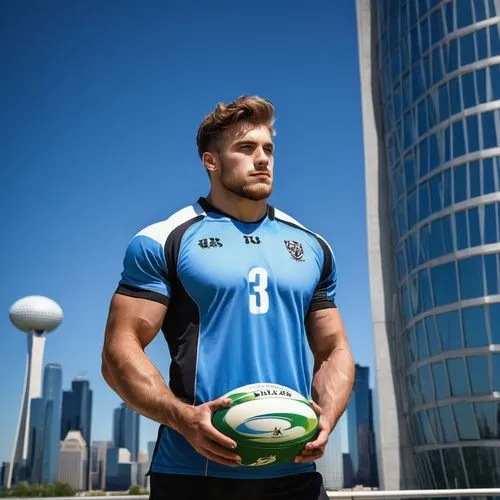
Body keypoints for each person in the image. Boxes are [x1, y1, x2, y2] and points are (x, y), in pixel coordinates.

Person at [101, 95, 355, 500]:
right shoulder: (163, 239)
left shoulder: (311, 245)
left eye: (268, 149)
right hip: (194, 475)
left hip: (294, 472)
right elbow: (118, 352)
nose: (262, 159)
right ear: (211, 162)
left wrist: (328, 418)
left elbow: (334, 348)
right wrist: (184, 419)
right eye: (246, 148)